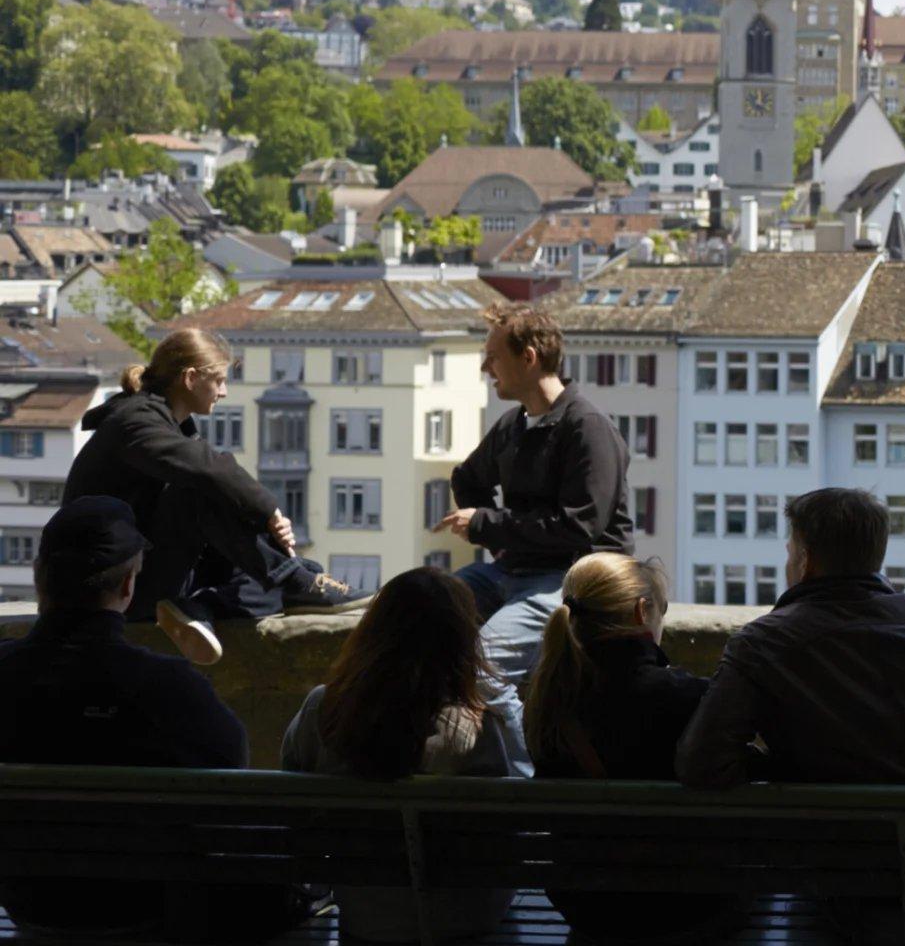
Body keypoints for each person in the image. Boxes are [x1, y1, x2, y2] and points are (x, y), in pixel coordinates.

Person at [677, 488, 905, 946]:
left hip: (864, 898)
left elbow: (701, 763)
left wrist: (784, 768)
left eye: (790, 550)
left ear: (806, 560)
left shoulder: (762, 643)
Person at [0, 497, 311, 941]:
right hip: (144, 911)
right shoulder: (168, 687)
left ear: (38, 576)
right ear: (128, 586)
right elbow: (231, 764)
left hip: (28, 905)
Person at [64, 328, 353, 665]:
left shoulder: (166, 425)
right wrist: (270, 512)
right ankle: (295, 579)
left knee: (266, 586)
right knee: (199, 486)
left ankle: (201, 607)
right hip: (111, 593)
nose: (224, 392)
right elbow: (209, 469)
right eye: (218, 381)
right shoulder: (134, 422)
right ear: (190, 378)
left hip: (142, 577)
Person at [280, 566, 532, 942]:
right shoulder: (481, 723)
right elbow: (512, 826)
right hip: (469, 918)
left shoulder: (325, 709)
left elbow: (291, 804)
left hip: (366, 916)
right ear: (462, 640)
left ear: (373, 632)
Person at [524, 553, 744, 943]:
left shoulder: (547, 703)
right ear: (642, 611)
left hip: (587, 908)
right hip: (687, 909)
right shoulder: (687, 697)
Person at [445, 304, 632, 685]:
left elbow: (578, 527)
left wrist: (486, 525)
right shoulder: (513, 425)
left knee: (482, 674)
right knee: (415, 619)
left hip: (572, 580)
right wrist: (499, 543)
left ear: (528, 358)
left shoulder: (587, 428)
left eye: (493, 357)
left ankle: (516, 730)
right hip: (511, 571)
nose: (485, 368)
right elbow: (467, 479)